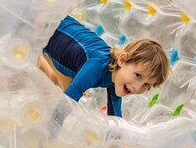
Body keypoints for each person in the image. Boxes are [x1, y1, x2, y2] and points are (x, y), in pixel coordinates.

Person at [37, 15, 170, 117]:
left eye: (146, 85)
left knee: (58, 84)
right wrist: (48, 141)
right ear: (122, 60)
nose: (137, 87)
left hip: (50, 38)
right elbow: (67, 104)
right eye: (138, 76)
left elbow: (116, 121)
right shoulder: (96, 66)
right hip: (43, 24)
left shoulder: (118, 80)